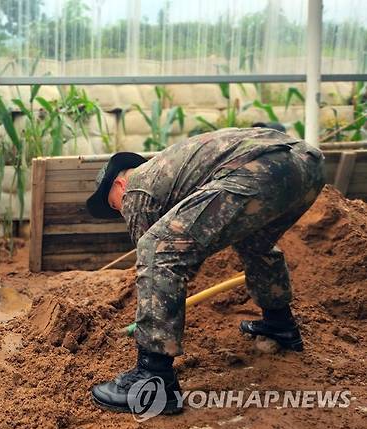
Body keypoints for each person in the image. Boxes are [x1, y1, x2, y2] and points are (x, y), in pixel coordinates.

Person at [86, 127, 324, 414]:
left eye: (115, 206)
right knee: (255, 242)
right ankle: (280, 325)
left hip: (258, 169)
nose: (121, 212)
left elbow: (155, 258)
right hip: (306, 165)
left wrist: (151, 317)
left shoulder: (136, 188)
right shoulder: (168, 171)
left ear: (119, 187)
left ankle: (154, 377)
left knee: (157, 247)